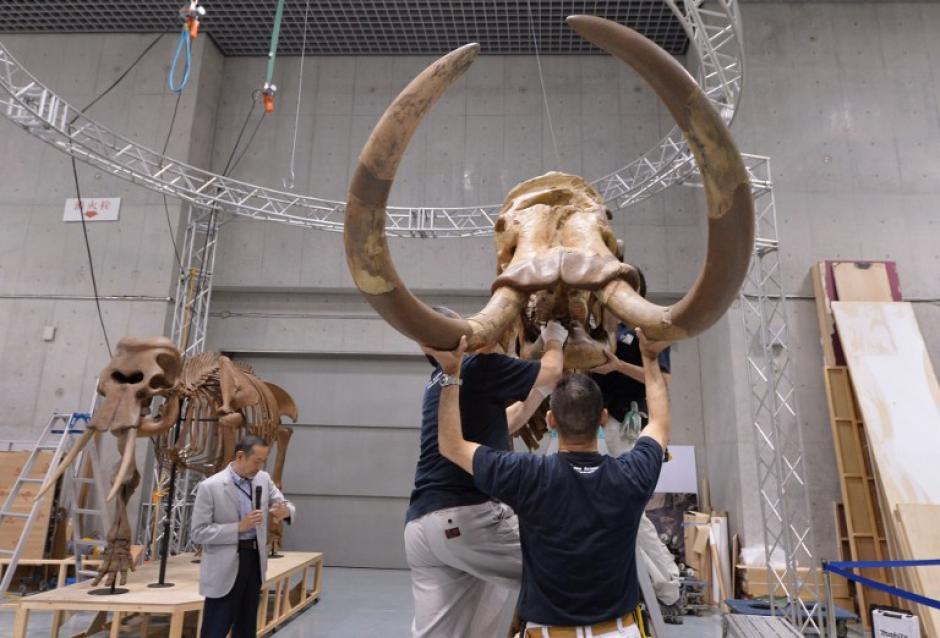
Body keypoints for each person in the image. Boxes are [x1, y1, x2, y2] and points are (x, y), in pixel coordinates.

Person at [428, 327, 671, 637]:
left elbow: (450, 445)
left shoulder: (527, 475)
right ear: (602, 418)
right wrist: (650, 359)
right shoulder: (632, 474)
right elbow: (660, 423)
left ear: (550, 420)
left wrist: (451, 372)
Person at [404, 309, 566, 638]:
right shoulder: (480, 366)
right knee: (565, 565)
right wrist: (554, 339)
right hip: (468, 519)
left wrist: (539, 391)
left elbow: (508, 421)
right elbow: (552, 371)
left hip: (422, 529)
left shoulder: (439, 382)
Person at [191, 435, 295, 638]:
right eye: (257, 460)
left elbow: (283, 503)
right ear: (240, 456)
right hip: (225, 565)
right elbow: (198, 532)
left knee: (247, 625)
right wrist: (238, 527)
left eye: (263, 461)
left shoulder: (263, 479)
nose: (260, 465)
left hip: (254, 562)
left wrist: (286, 511)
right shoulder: (210, 487)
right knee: (216, 625)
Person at [589, 269, 671, 455]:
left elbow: (663, 379)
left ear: (636, 289)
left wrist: (619, 366)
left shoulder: (651, 329)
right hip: (592, 419)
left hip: (625, 422)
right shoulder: (600, 329)